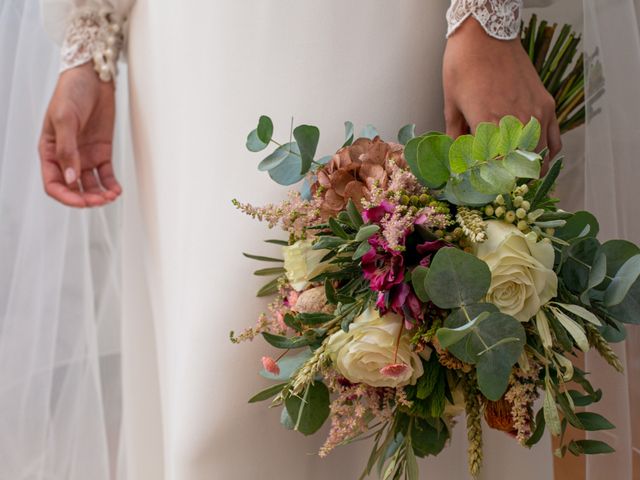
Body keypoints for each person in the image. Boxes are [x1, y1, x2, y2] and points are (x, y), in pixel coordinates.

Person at [37, 1, 561, 479]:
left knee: (405, 321)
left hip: (375, 25)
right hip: (190, 48)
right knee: (211, 390)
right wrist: (88, 42)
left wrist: (484, 18)